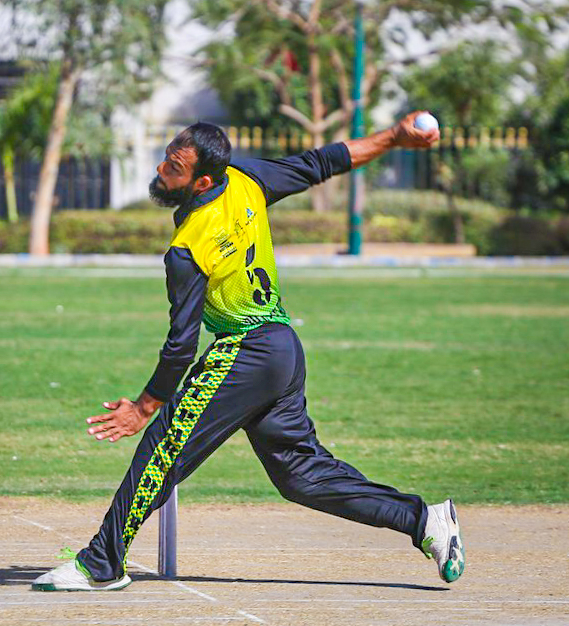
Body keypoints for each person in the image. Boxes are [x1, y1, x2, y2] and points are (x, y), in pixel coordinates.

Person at [32, 114, 465, 592]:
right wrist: (395, 137)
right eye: (166, 158)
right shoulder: (245, 179)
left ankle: (101, 563)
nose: (160, 170)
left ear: (201, 182)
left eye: (173, 167)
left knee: (163, 449)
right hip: (282, 348)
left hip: (247, 350)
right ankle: (424, 520)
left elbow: (181, 345)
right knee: (300, 475)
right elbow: (324, 161)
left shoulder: (188, 247)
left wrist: (144, 407)